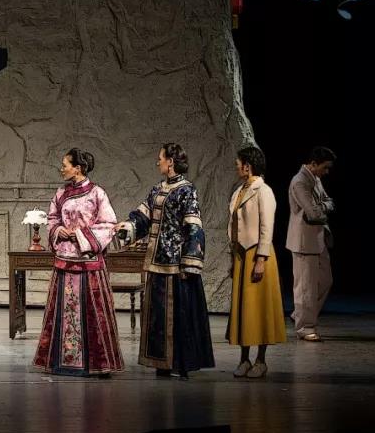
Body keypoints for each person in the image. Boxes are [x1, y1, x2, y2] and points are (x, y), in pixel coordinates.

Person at [116, 143, 214, 380]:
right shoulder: (157, 189)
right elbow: (142, 217)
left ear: (170, 161)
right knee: (158, 315)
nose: (157, 161)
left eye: (160, 158)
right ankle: (161, 362)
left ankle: (181, 363)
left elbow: (193, 227)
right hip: (156, 262)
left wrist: (189, 262)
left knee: (179, 314)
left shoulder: (186, 190)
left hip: (176, 264)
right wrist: (127, 227)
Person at [32, 148, 124, 376]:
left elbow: (108, 224)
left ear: (78, 168)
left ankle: (97, 364)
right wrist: (58, 230)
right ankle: (61, 362)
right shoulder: (61, 193)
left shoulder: (97, 193)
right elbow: (52, 218)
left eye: (65, 165)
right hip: (64, 260)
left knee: (93, 312)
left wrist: (80, 235)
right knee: (62, 311)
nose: (61, 169)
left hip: (88, 261)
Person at [227, 146, 286, 378]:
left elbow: (266, 227)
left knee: (259, 308)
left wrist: (261, 259)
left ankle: (261, 360)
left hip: (257, 254)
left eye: (238, 162)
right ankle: (244, 359)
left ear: (247, 165)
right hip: (241, 255)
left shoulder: (264, 191)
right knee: (243, 309)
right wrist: (233, 257)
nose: (236, 166)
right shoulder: (239, 190)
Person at [286, 146, 337, 342]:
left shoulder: (315, 178)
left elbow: (328, 202)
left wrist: (322, 205)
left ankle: (300, 314)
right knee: (305, 287)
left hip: (318, 239)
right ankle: (305, 327)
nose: (327, 172)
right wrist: (323, 206)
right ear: (313, 164)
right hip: (304, 241)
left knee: (325, 280)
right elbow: (313, 213)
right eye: (325, 167)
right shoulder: (299, 181)